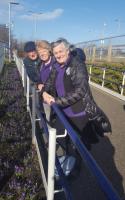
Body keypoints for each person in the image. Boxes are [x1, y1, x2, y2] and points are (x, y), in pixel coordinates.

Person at [41, 38, 112, 150]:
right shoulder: (56, 66)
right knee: (60, 138)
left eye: (61, 51)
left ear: (67, 51)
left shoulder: (77, 65)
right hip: (63, 110)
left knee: (82, 145)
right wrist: (44, 91)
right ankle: (69, 156)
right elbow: (49, 81)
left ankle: (79, 163)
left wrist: (57, 101)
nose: (58, 55)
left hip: (78, 113)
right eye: (55, 53)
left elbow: (80, 91)